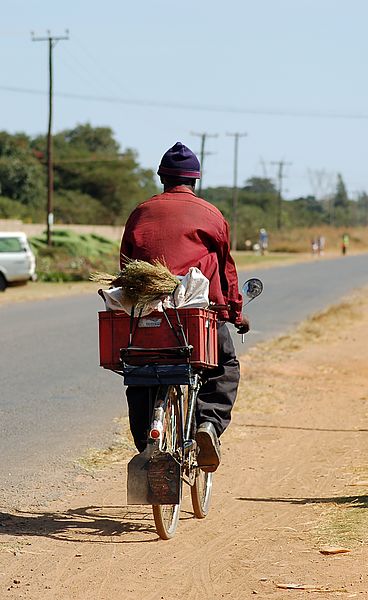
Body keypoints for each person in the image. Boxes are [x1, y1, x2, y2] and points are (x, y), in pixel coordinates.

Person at [120, 142, 249, 472]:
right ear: (195, 180)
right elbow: (225, 270)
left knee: (140, 372)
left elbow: (125, 268)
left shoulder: (140, 212)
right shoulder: (210, 215)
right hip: (194, 317)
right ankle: (208, 424)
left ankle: (147, 441)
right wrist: (234, 313)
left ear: (162, 177)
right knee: (225, 365)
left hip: (146, 316)